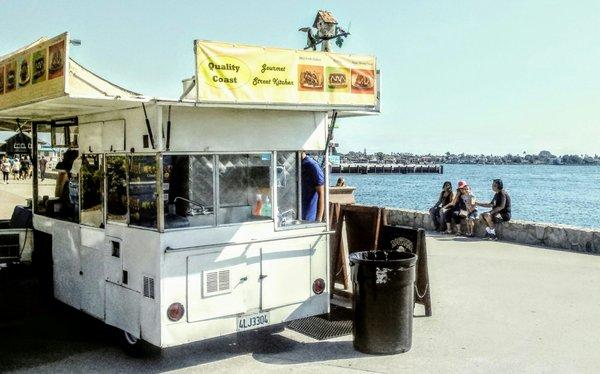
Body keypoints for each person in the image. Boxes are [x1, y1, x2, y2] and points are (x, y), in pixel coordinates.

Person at [301, 152, 325, 222]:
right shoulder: (296, 165)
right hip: (296, 215)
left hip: (309, 218)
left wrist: (318, 220)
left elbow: (321, 193)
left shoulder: (312, 165)